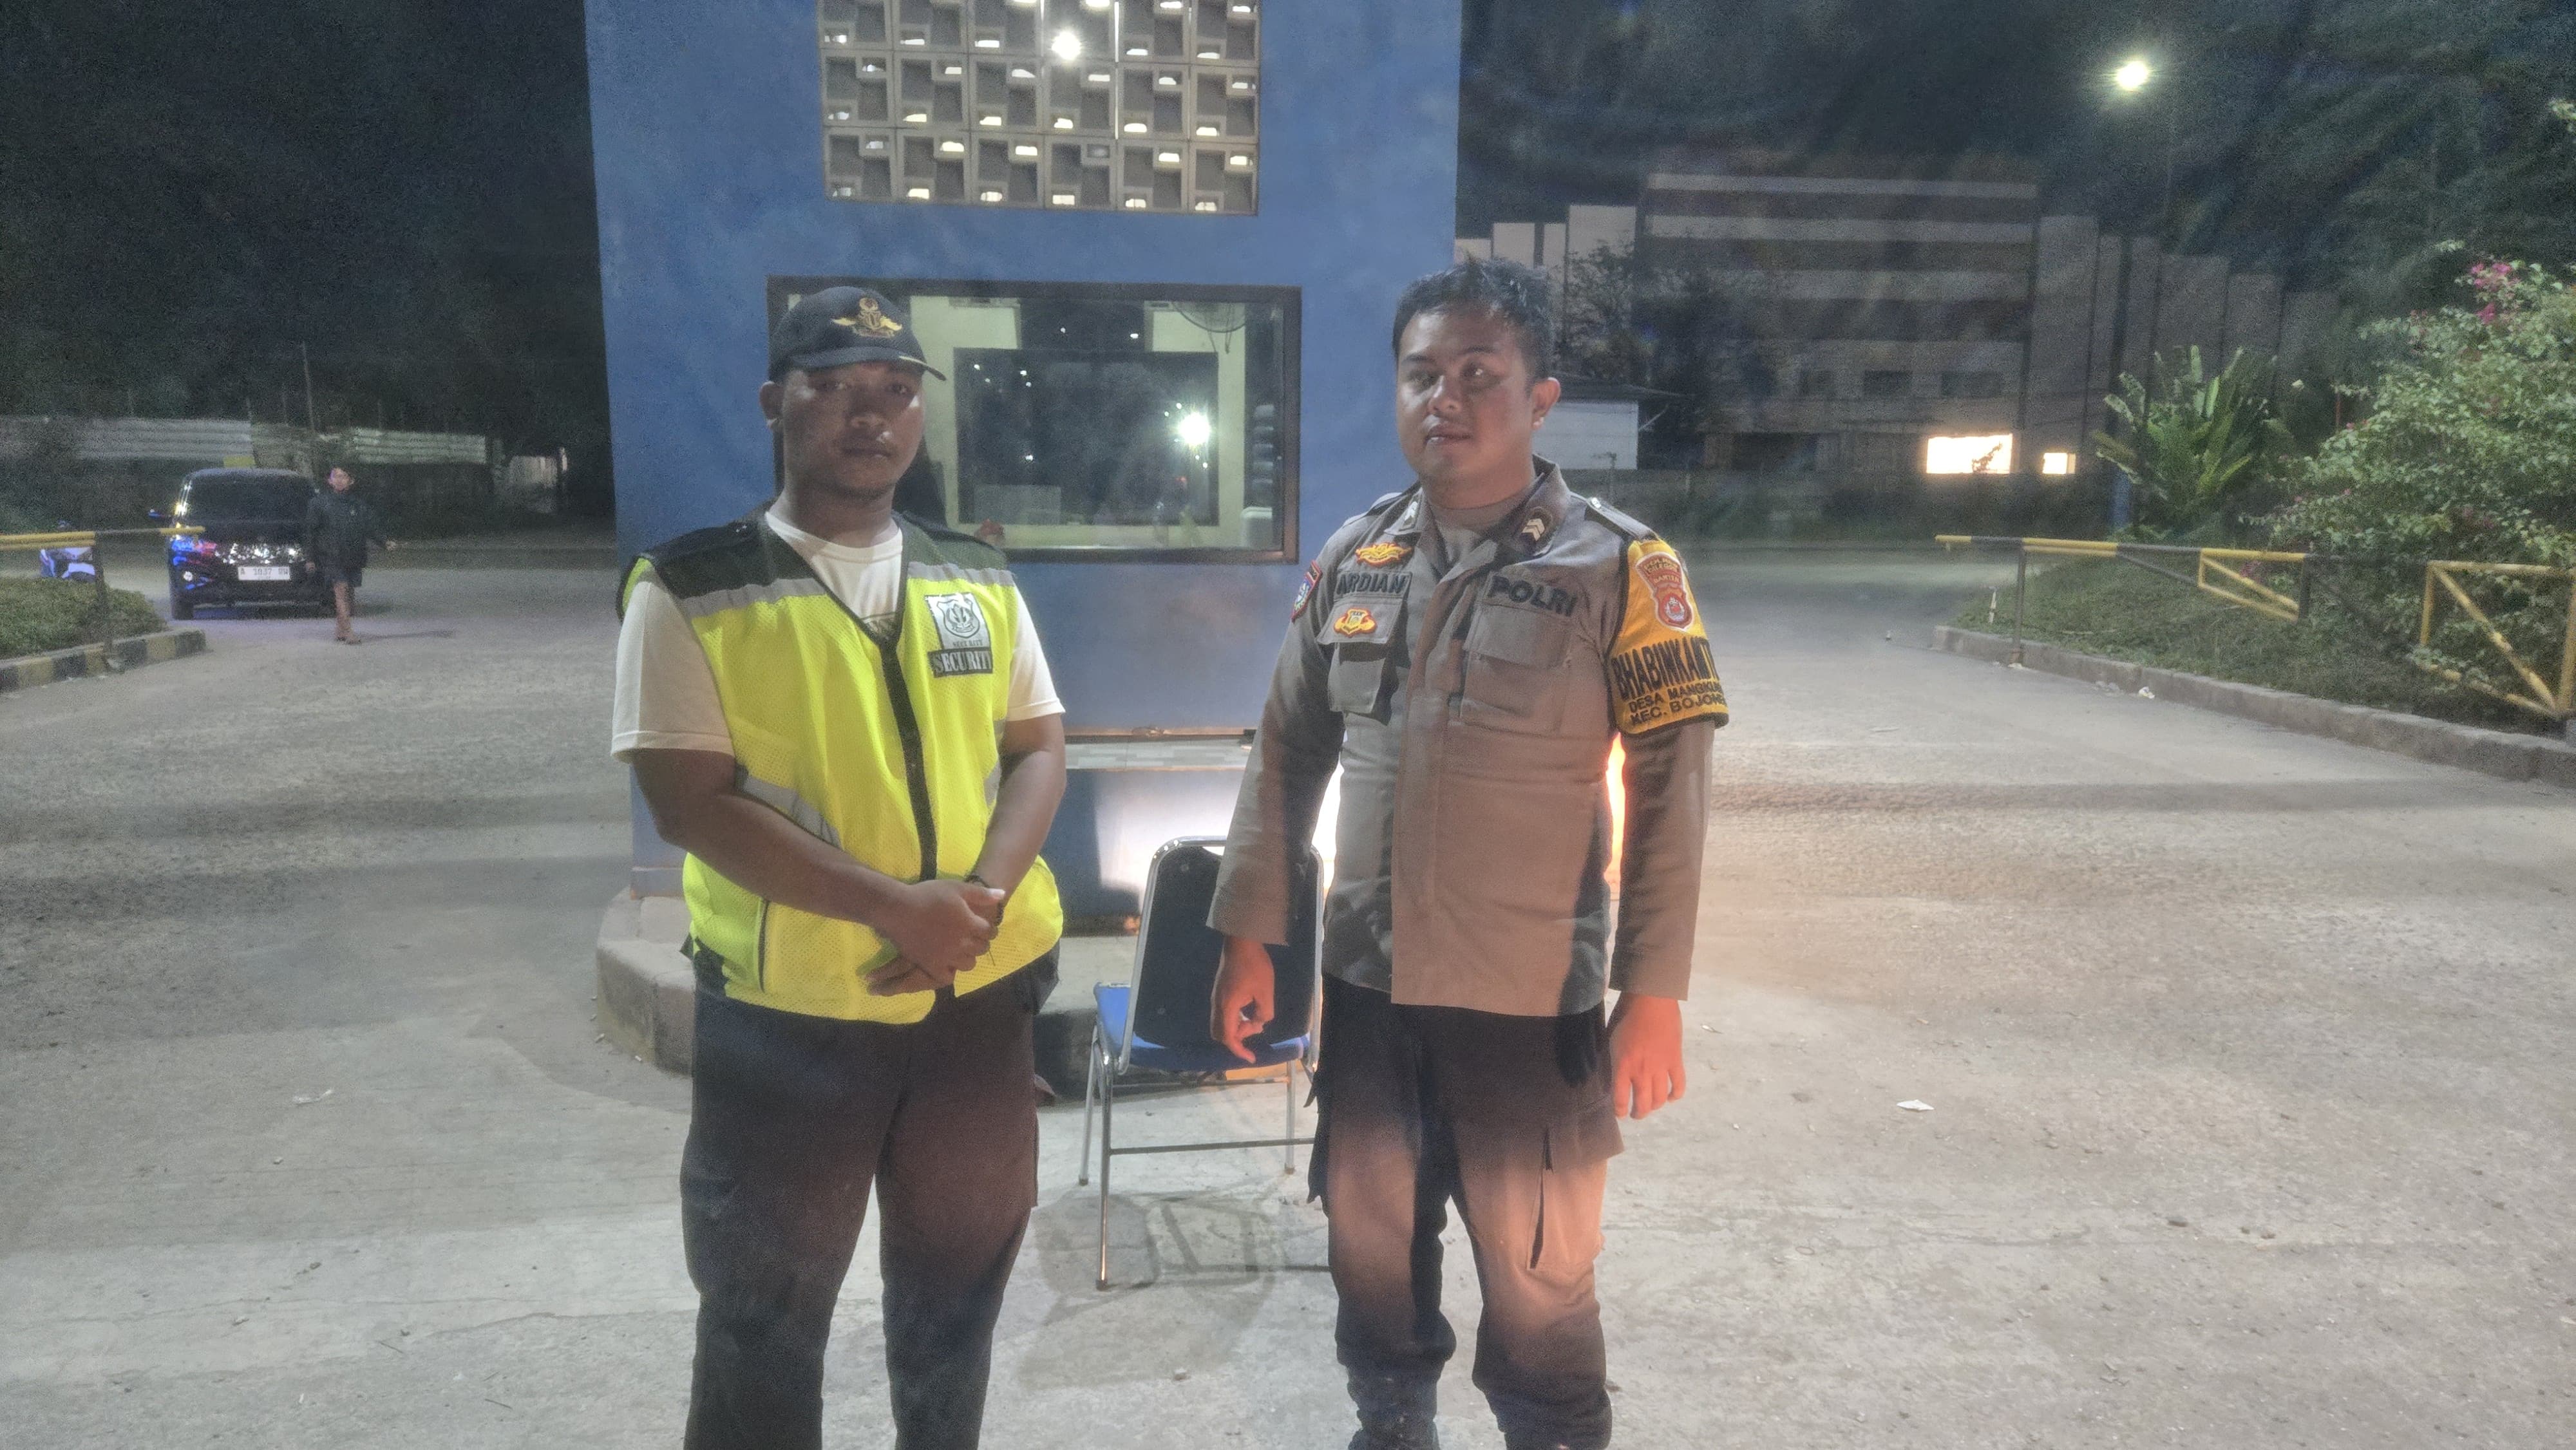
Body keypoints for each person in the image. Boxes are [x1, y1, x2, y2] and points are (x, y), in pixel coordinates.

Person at [1206, 257, 1726, 1450]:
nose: (1445, 398)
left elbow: (1672, 796)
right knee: (1370, 1244)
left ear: (1540, 399)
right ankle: (1391, 1424)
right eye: (1421, 374)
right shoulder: (1359, 556)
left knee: (1540, 1270)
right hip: (1368, 985)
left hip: (1526, 997)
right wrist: (1249, 936)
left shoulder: (1622, 568)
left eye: (1478, 375)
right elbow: (1285, 753)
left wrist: (1654, 994)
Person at [610, 286, 1069, 1450]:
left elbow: (1039, 747)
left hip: (975, 1007)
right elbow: (688, 803)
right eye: (837, 387)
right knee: (762, 1318)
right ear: (777, 402)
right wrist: (898, 910)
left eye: (898, 391)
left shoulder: (977, 575)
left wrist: (978, 904)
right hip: (793, 1021)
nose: (873, 415)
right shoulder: (691, 588)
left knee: (956, 1303)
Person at [303, 466, 390, 642]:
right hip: (332, 556)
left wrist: (384, 542)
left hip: (354, 555)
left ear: (351, 481)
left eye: (344, 476)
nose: (340, 480)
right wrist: (310, 558)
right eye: (336, 476)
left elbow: (369, 526)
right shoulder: (319, 504)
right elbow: (311, 532)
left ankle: (340, 630)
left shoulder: (357, 505)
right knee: (340, 590)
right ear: (330, 481)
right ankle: (349, 632)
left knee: (349, 594)